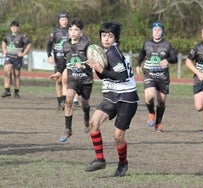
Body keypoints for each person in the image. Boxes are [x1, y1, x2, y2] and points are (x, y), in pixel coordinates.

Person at [85, 22, 139, 177]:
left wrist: (101, 70)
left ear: (115, 38)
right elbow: (105, 75)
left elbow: (121, 76)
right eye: (103, 35)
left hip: (126, 98)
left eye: (110, 36)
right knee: (93, 123)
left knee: (118, 137)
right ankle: (100, 160)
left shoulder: (113, 52)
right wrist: (97, 69)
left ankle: (123, 163)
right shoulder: (106, 51)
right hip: (112, 95)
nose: (106, 39)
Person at [49, 18, 93, 142]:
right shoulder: (65, 44)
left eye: (76, 29)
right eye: (71, 29)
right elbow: (63, 61)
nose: (73, 32)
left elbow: (94, 61)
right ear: (68, 31)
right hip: (73, 78)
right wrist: (58, 72)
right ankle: (68, 129)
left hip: (86, 79)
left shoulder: (87, 44)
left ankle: (86, 118)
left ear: (81, 32)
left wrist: (84, 66)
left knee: (85, 103)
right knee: (68, 99)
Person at [135, 22, 178, 132]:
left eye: (159, 30)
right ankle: (151, 113)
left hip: (163, 77)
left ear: (162, 31)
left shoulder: (167, 45)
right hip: (149, 74)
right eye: (155, 29)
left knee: (161, 101)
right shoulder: (147, 43)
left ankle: (158, 123)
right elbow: (141, 55)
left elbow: (175, 58)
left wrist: (167, 60)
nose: (157, 31)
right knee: (149, 96)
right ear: (152, 31)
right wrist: (138, 65)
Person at [1, 20, 31, 98]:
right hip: (9, 56)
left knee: (16, 75)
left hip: (17, 58)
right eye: (12, 27)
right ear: (10, 28)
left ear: (18, 28)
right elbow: (4, 42)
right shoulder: (7, 35)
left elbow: (29, 44)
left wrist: (23, 53)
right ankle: (7, 90)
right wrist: (4, 50)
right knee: (7, 70)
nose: (13, 28)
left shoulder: (22, 36)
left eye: (15, 27)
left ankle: (16, 92)